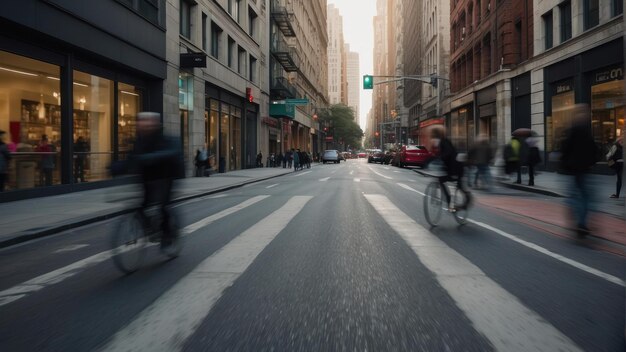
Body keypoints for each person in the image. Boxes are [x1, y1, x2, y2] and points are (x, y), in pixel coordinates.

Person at [129, 112, 184, 250]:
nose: (144, 124)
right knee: (141, 207)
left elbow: (172, 151)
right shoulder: (140, 141)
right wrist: (115, 167)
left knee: (163, 206)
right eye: (141, 122)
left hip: (166, 176)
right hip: (148, 178)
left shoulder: (165, 139)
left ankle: (167, 235)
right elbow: (132, 159)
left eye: (147, 121)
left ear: (155, 123)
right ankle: (149, 228)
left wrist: (153, 156)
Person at [560, 104, 597, 234]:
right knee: (585, 196)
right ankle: (582, 222)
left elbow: (565, 150)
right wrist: (591, 163)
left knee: (574, 196)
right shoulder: (587, 131)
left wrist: (564, 165)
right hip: (584, 169)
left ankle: (577, 219)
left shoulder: (571, 130)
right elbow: (594, 150)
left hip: (573, 169)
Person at [431, 126, 471, 211]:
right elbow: (442, 155)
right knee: (444, 181)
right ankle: (451, 202)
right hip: (453, 168)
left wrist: (440, 158)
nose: (432, 138)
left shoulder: (443, 142)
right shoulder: (443, 142)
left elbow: (448, 153)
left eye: (433, 136)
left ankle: (463, 199)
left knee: (457, 185)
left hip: (456, 169)